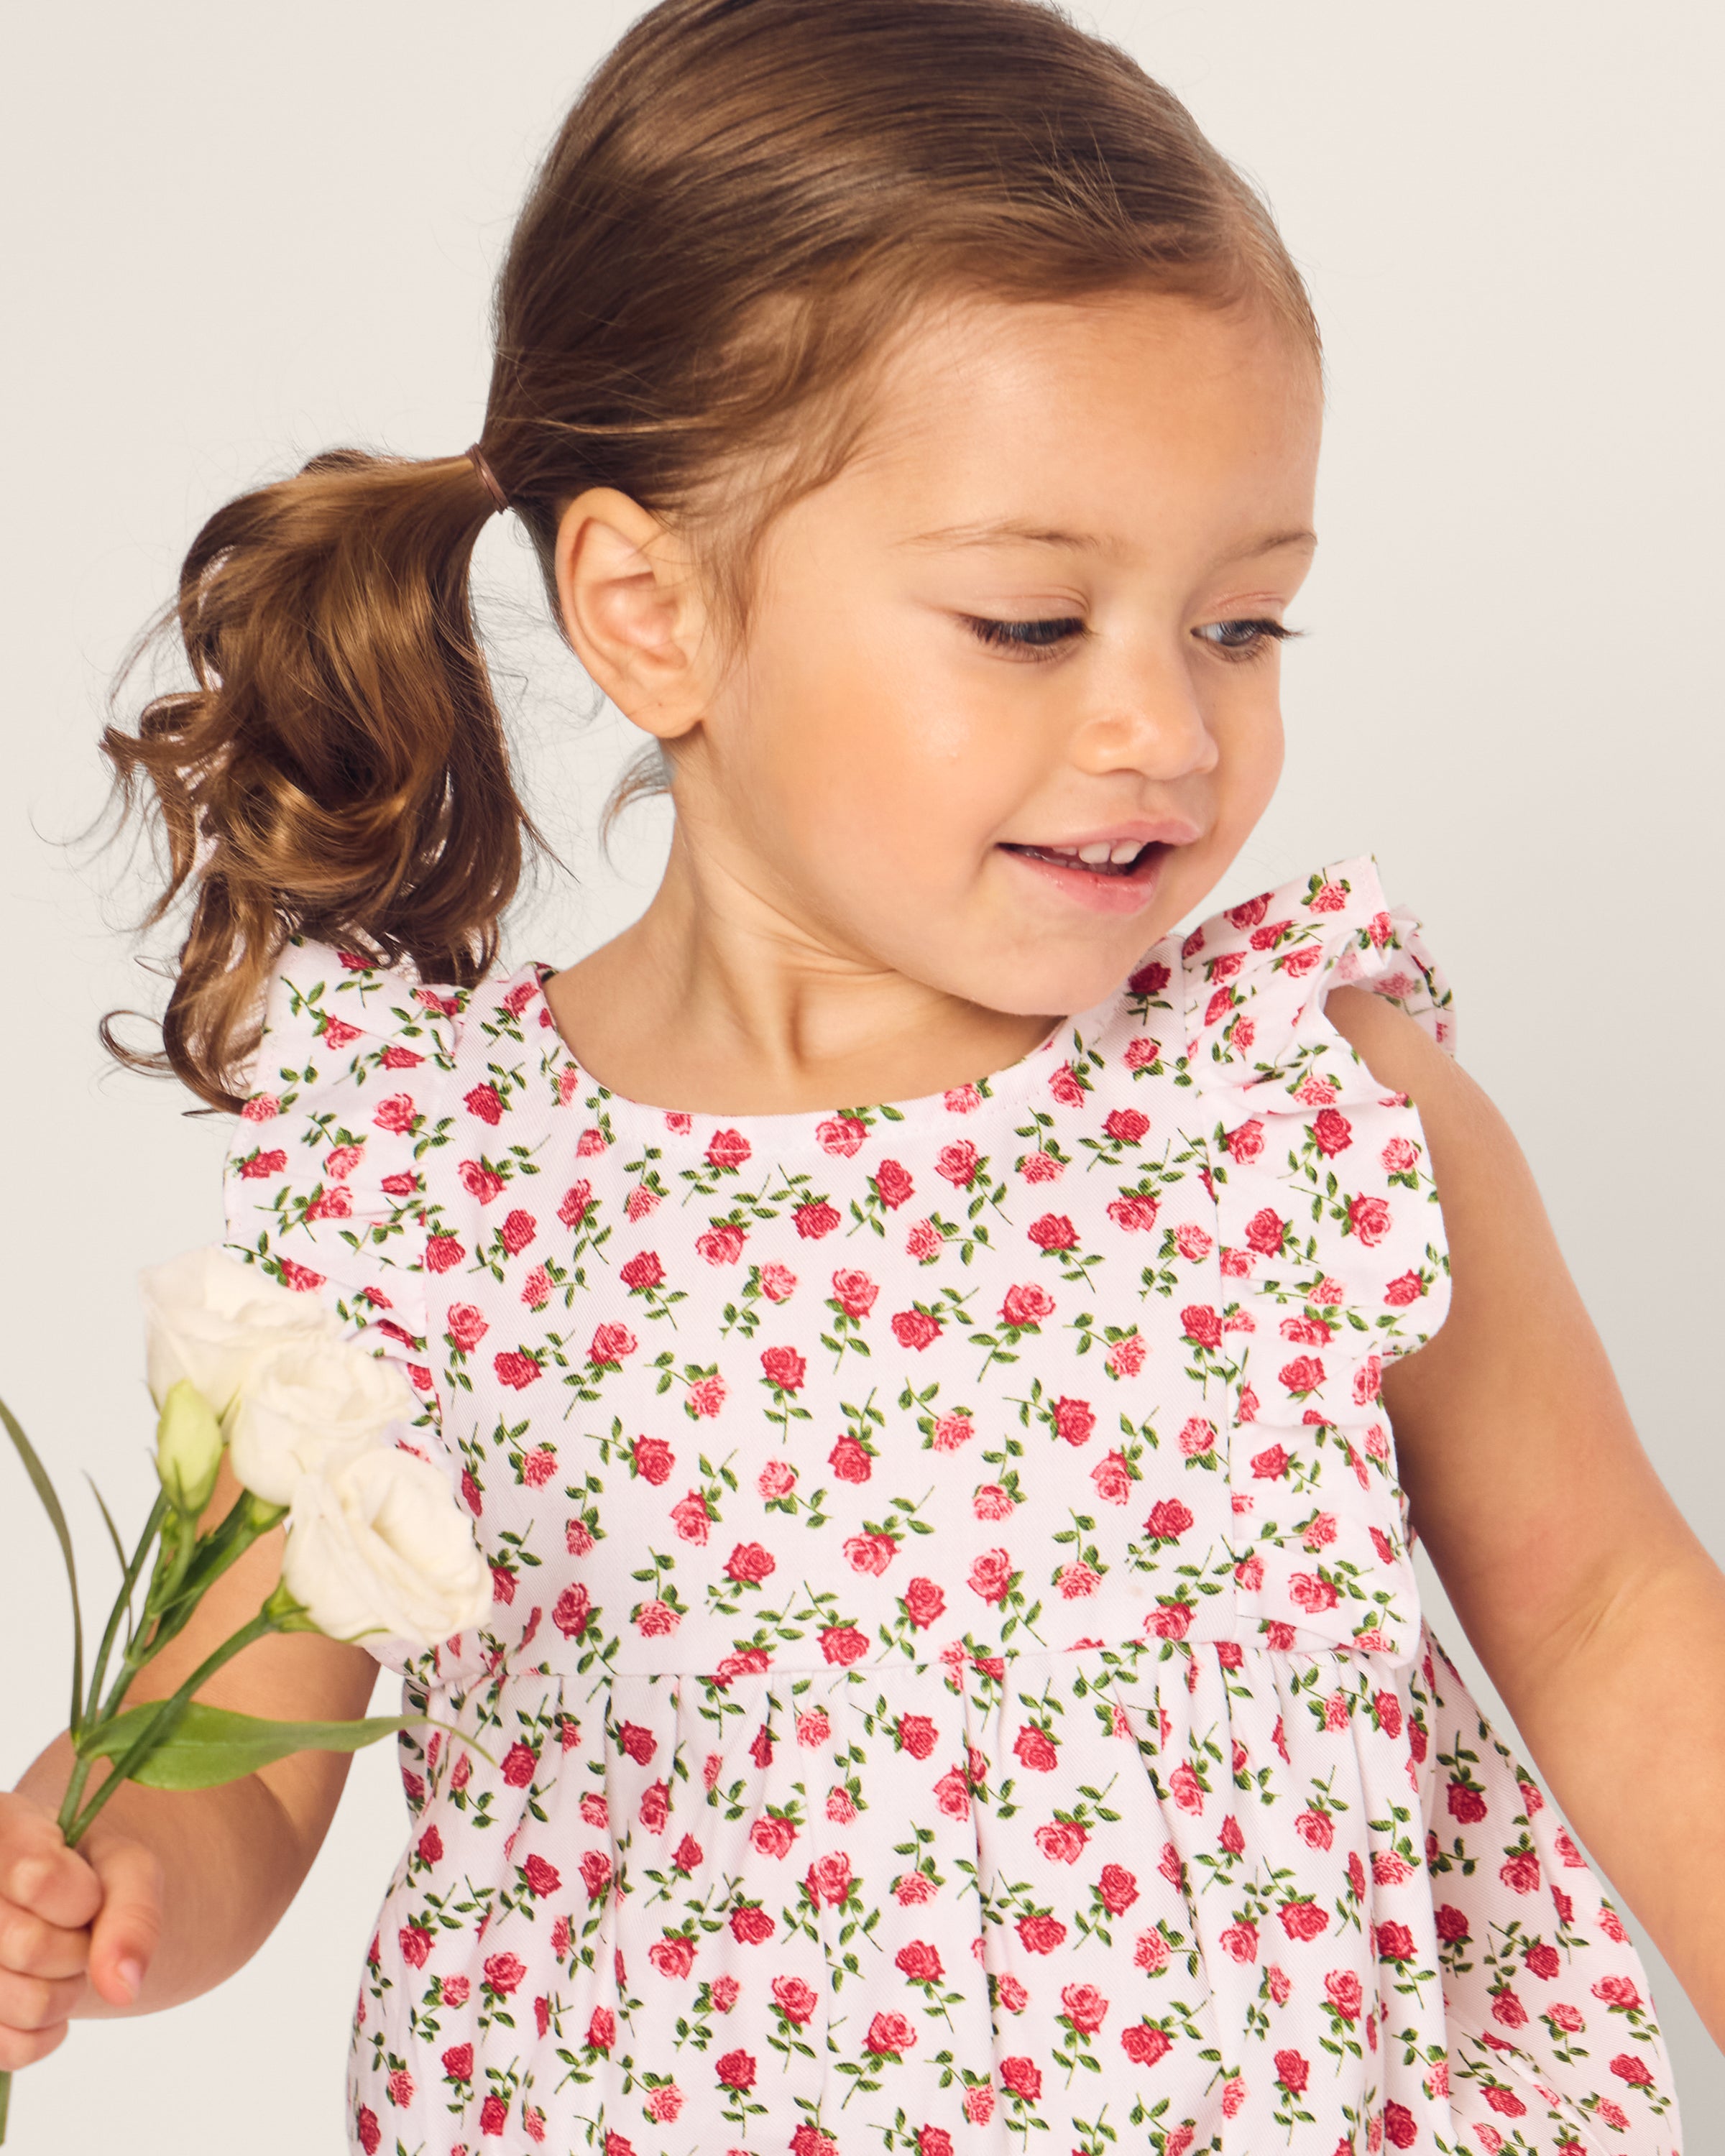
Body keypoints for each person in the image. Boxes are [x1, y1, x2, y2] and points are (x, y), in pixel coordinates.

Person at [0, 1, 1714, 2148]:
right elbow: (235, 1720)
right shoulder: (430, 1195)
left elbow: (1617, 1611)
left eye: (1241, 623)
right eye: (1028, 624)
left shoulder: (1303, 1110)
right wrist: (99, 1866)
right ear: (652, 614)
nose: (1166, 732)